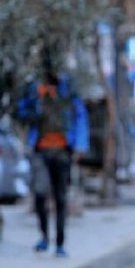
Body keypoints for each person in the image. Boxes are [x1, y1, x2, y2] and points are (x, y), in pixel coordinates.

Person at [17, 69, 88, 257]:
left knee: (60, 197)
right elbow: (22, 112)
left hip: (63, 151)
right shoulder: (34, 91)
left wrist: (80, 144)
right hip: (40, 150)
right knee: (40, 193)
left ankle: (60, 242)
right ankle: (43, 236)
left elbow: (80, 116)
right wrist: (35, 101)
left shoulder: (68, 90)